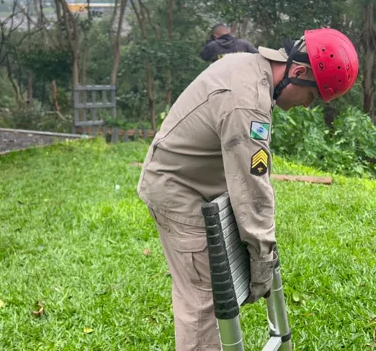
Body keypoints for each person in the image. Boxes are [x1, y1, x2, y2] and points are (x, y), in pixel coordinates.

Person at [137, 28, 359, 351]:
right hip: (177, 189)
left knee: (209, 293)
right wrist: (262, 259)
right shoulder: (248, 104)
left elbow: (252, 176)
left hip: (201, 183)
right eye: (312, 97)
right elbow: (252, 191)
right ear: (298, 72)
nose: (307, 106)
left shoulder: (251, 68)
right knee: (203, 299)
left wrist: (261, 251)